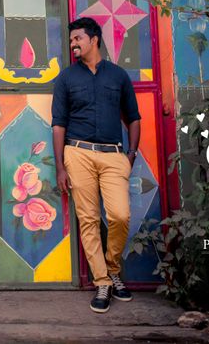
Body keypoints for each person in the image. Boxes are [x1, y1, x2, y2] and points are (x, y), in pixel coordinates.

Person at [52, 16, 141, 314]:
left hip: (114, 154)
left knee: (119, 215)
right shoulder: (66, 78)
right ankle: (102, 281)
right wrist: (61, 167)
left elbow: (133, 117)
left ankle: (113, 267)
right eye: (71, 40)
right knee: (88, 219)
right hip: (77, 154)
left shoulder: (118, 76)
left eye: (78, 38)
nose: (73, 44)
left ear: (94, 39)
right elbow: (58, 124)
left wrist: (130, 154)